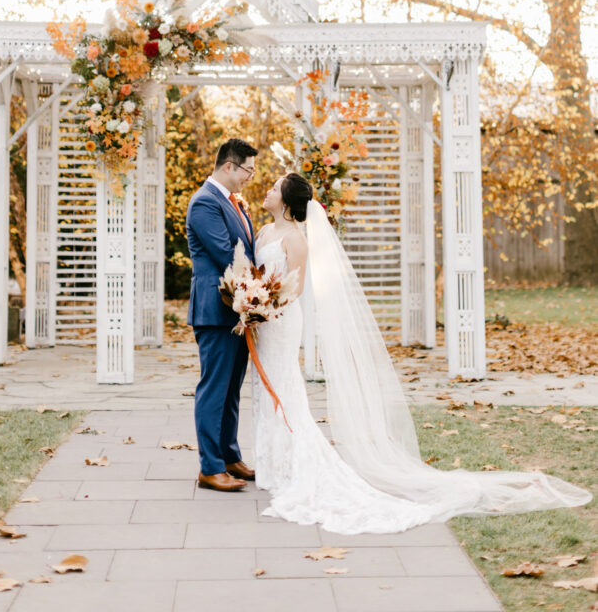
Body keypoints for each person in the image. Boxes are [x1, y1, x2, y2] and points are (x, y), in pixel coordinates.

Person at [251, 172, 592, 533]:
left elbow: (295, 286)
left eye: (274, 187)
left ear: (286, 202)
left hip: (282, 321)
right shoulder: (263, 232)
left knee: (285, 387)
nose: (268, 190)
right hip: (263, 322)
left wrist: (263, 305)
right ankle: (273, 463)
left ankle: (293, 464)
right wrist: (251, 301)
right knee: (265, 387)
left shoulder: (295, 240)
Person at [186, 137, 258, 492]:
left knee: (231, 390)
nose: (250, 177)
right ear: (228, 166)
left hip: (237, 311)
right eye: (247, 169)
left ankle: (230, 456)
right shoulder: (204, 202)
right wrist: (260, 287)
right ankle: (209, 467)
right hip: (216, 310)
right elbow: (226, 254)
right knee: (214, 389)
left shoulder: (234, 203)